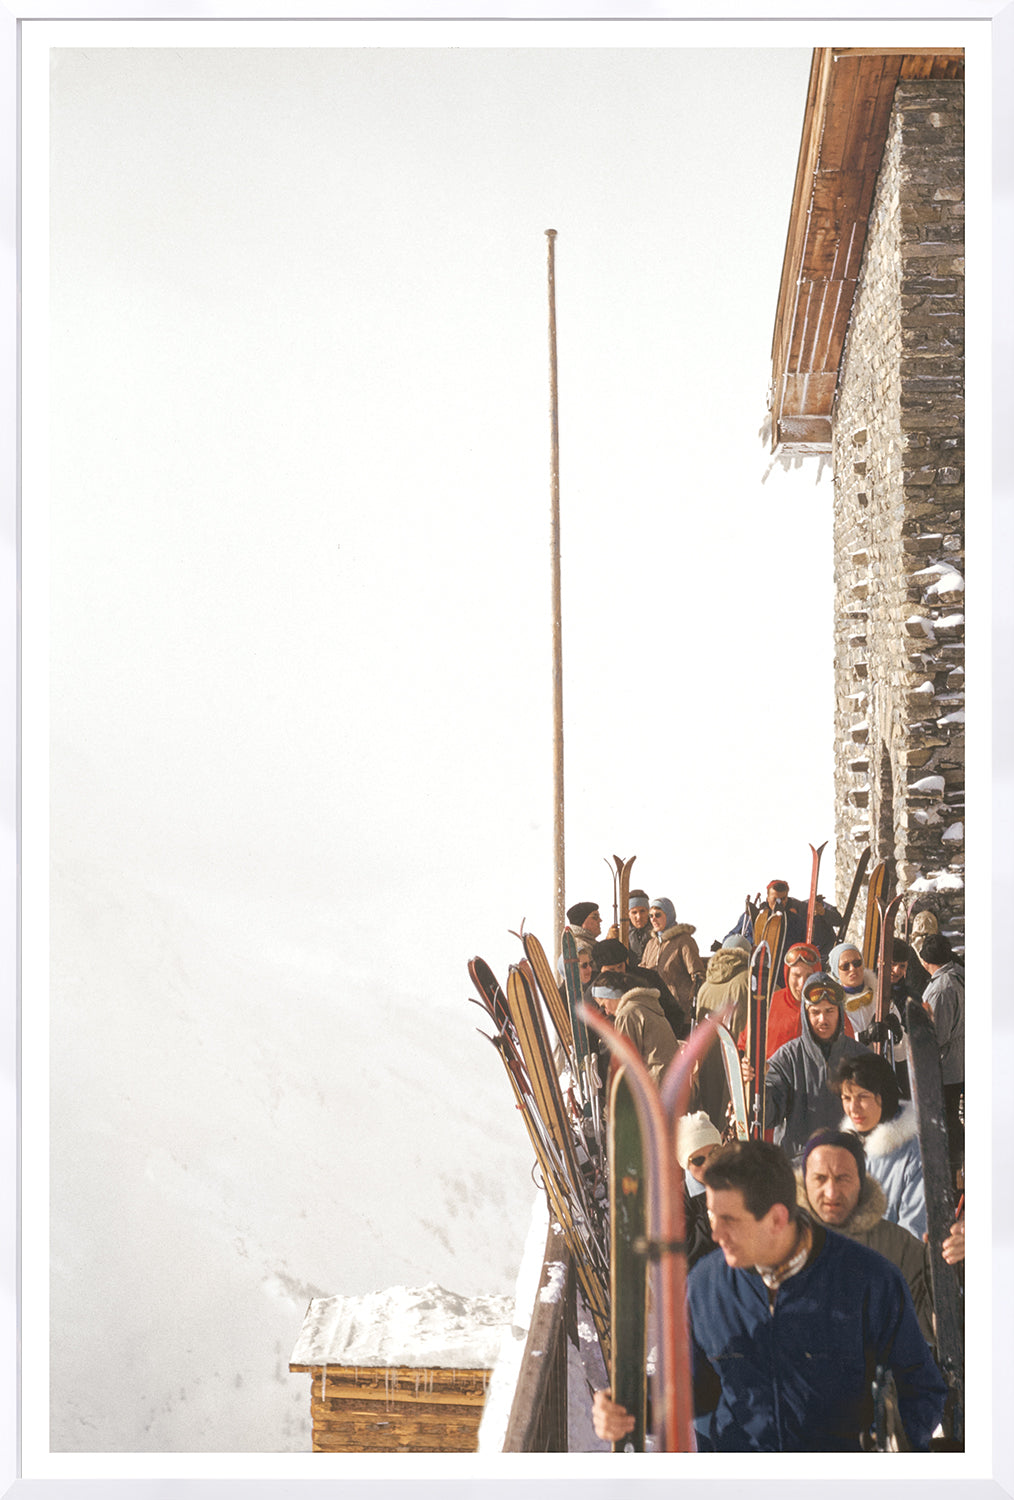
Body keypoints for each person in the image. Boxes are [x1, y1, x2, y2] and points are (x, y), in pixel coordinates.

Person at [592, 1139, 946, 1451]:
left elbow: (919, 1385)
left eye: (730, 1220)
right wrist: (632, 1406)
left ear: (777, 1219)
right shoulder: (704, 1286)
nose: (715, 1234)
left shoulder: (868, 1279)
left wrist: (897, 1450)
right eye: (712, 1215)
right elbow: (694, 1388)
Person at [798, 1129, 934, 1347]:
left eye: (843, 1178)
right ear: (805, 1181)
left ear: (860, 1181)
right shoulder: (779, 1240)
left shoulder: (896, 1245)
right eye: (820, 1179)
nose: (831, 1192)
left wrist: (959, 1264)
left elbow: (935, 1322)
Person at [755, 972, 871, 1162]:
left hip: (849, 1162)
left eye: (829, 1011)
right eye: (815, 1012)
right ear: (805, 1013)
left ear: (840, 1012)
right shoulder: (788, 1058)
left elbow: (883, 1111)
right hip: (801, 1164)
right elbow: (769, 1117)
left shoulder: (861, 1056)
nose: (822, 1020)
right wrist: (756, 1086)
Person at [831, 1051, 926, 1238]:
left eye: (863, 1097)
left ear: (884, 1095)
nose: (853, 1108)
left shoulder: (914, 1154)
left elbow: (913, 1231)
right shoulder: (841, 1147)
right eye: (847, 1098)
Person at [918, 932, 964, 1183]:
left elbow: (937, 1034)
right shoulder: (957, 975)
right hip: (957, 1062)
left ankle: (953, 1170)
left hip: (947, 1066)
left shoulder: (941, 988)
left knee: (948, 1119)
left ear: (926, 961)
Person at [736, 940, 823, 1061]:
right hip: (769, 1077)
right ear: (787, 975)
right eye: (796, 976)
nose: (802, 983)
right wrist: (743, 1064)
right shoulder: (769, 1003)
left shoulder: (828, 1008)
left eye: (809, 976)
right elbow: (744, 1043)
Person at [589, 970, 678, 1087]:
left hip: (657, 1087)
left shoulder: (627, 1014)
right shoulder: (643, 1005)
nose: (606, 1012)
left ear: (611, 995)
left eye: (604, 1005)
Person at [592, 937, 688, 1041]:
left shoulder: (648, 979)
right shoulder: (595, 992)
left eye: (620, 967)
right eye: (611, 970)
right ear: (601, 970)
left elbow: (674, 1013)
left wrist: (665, 1039)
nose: (617, 972)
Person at [639, 897, 707, 1026]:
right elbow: (643, 972)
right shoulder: (651, 944)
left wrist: (691, 1002)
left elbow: (698, 975)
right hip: (657, 1009)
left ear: (668, 915)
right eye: (651, 916)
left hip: (679, 1009)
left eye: (658, 915)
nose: (653, 919)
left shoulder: (683, 941)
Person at [676, 1111, 721, 1268]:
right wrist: (712, 1217)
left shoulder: (735, 1181)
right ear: (686, 1165)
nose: (708, 1164)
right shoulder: (678, 1202)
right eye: (698, 1160)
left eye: (714, 1153)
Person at [828, 941, 878, 1038]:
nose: (852, 969)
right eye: (845, 966)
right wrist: (860, 1038)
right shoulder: (832, 1005)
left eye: (857, 963)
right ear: (836, 972)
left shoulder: (879, 996)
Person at [626, 890, 652, 963]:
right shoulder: (622, 933)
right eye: (634, 912)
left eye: (642, 911)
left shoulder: (658, 932)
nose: (639, 917)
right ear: (628, 914)